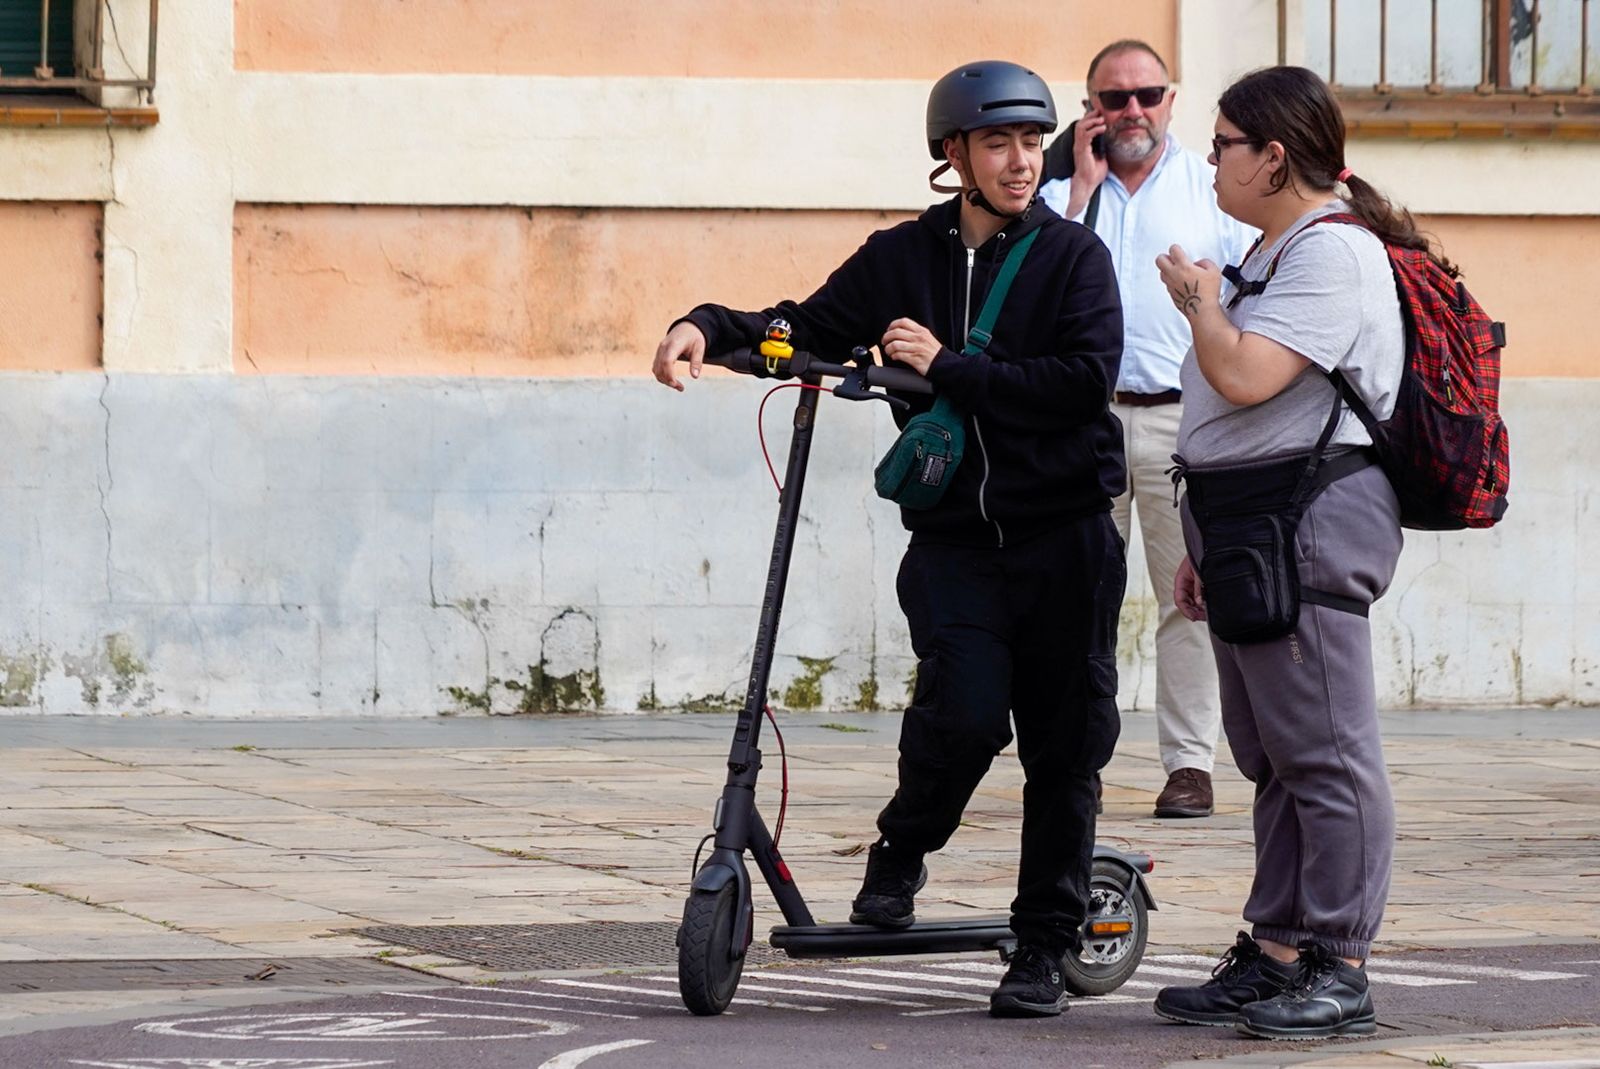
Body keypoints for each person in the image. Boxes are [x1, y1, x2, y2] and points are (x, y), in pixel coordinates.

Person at [651, 60, 1126, 1018]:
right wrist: (705, 327)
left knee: (1064, 749)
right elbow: (802, 328)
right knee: (962, 715)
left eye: (1034, 142)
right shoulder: (900, 258)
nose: (1021, 162)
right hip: (956, 543)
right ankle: (900, 848)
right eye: (998, 143)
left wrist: (948, 366)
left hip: (1066, 537)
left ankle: (1041, 946)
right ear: (952, 154)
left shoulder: (1075, 258)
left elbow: (1082, 382)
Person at [1150, 65, 1420, 1040]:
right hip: (1247, 525)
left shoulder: (1331, 257)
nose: (1211, 160)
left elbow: (1247, 376)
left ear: (1273, 156)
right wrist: (1201, 543)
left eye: (1222, 144)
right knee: (1272, 753)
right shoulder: (1275, 251)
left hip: (1305, 519)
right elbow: (1228, 412)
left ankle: (1339, 961)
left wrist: (1197, 303)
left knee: (1329, 754)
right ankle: (1272, 952)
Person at [1039, 40, 1256, 820]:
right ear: (1089, 106)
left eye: (1147, 95)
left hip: (1179, 416)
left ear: (1171, 100)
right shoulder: (1061, 190)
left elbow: (1252, 294)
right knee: (1076, 596)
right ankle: (1073, 759)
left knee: (1185, 599)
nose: (1132, 111)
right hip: (1082, 421)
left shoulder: (1211, 189)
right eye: (1114, 97)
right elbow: (1029, 281)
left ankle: (1190, 765)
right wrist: (1079, 193)